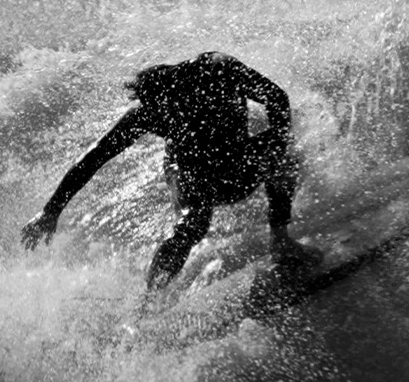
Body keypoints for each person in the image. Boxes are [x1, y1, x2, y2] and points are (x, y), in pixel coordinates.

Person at [20, 51, 320, 290]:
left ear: (178, 91)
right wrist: (50, 211)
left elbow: (276, 97)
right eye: (161, 119)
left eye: (170, 113)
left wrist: (277, 141)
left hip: (237, 162)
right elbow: (93, 159)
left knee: (283, 157)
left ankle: (281, 242)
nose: (168, 123)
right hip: (191, 173)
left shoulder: (219, 70)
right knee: (193, 224)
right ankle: (148, 304)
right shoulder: (150, 113)